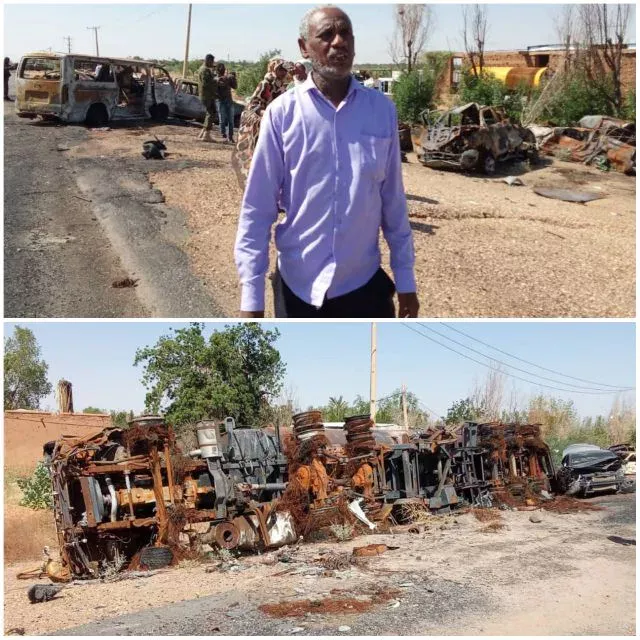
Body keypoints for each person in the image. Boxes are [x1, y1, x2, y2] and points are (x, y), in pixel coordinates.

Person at [234, 6, 419, 318]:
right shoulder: (282, 115)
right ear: (304, 47)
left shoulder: (380, 111)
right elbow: (257, 209)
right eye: (326, 35)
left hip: (362, 286)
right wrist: (251, 299)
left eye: (345, 33)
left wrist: (406, 280)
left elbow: (394, 203)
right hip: (298, 288)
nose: (339, 42)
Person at [232, 57, 293, 187]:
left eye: (284, 70)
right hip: (258, 122)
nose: (283, 72)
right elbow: (254, 104)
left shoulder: (281, 86)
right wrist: (266, 114)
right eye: (280, 69)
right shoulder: (266, 84)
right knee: (256, 151)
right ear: (273, 69)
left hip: (272, 122)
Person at [197, 54, 218, 142]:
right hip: (207, 95)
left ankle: (203, 133)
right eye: (212, 61)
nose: (213, 63)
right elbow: (206, 83)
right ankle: (206, 135)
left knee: (209, 113)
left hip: (207, 95)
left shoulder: (204, 69)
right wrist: (216, 80)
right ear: (208, 60)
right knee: (211, 113)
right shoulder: (205, 70)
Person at [215, 62, 237, 143]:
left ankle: (230, 136)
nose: (222, 70)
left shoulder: (227, 78)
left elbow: (235, 86)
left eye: (223, 68)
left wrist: (233, 78)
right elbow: (220, 84)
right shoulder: (216, 79)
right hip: (221, 101)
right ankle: (223, 135)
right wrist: (227, 78)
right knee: (222, 120)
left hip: (228, 101)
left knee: (230, 120)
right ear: (217, 70)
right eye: (220, 69)